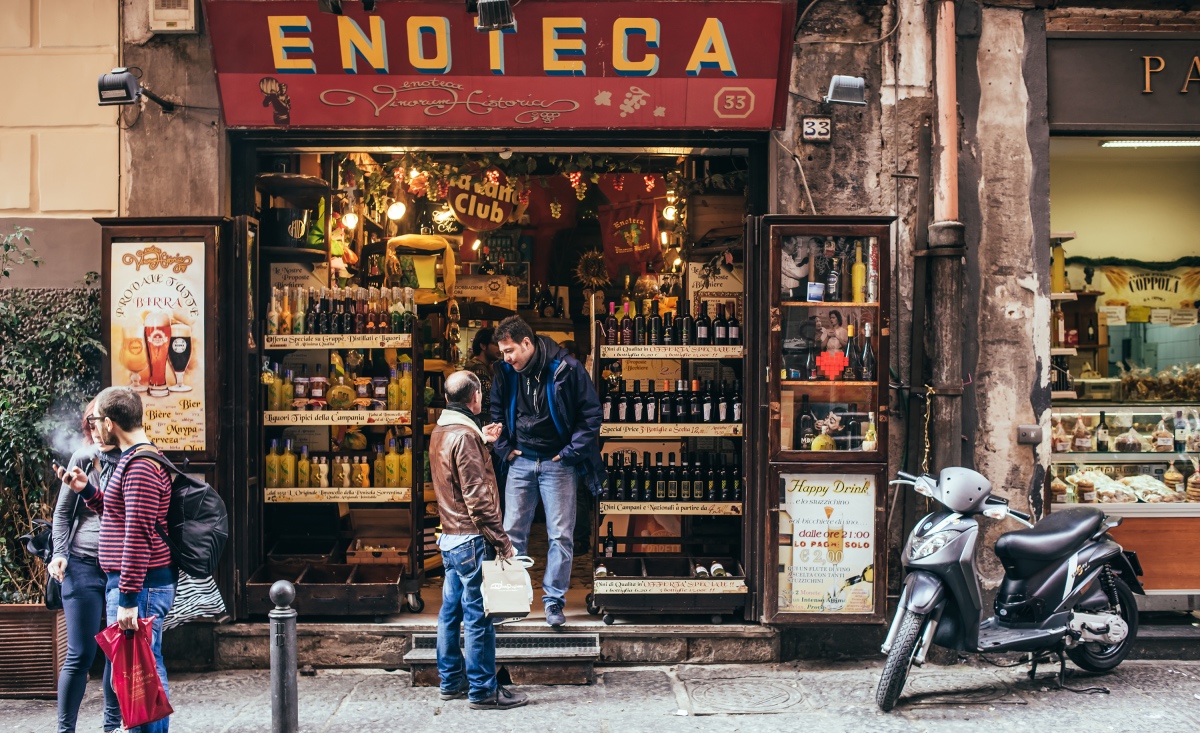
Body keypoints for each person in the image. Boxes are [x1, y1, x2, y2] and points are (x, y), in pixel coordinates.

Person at [57, 387, 177, 733]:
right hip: (137, 585)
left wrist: (127, 599)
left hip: (141, 587)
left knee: (144, 673)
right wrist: (88, 492)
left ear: (110, 423)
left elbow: (138, 535)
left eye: (95, 420)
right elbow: (120, 515)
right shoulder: (133, 457)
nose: (93, 427)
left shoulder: (139, 465)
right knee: (135, 674)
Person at [489, 316, 604, 627]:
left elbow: (592, 414)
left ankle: (553, 602)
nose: (506, 357)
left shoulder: (566, 368)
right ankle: (512, 602)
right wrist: (503, 448)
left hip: (558, 463)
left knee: (561, 536)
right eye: (502, 352)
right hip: (521, 461)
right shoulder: (504, 372)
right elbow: (495, 411)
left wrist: (568, 454)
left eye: (510, 350)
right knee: (511, 534)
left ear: (527, 343)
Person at [430, 371, 527, 710]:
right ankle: (483, 690)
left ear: (447, 399)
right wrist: (503, 542)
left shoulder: (442, 430)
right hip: (471, 539)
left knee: (449, 614)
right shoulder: (465, 439)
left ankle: (450, 682)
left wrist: (481, 440)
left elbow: (455, 477)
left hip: (450, 538)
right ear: (475, 400)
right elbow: (476, 499)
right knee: (478, 618)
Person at [50, 398, 123, 733]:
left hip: (120, 568)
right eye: (90, 422)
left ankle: (111, 727)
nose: (95, 428)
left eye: (101, 421)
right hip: (81, 565)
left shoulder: (132, 459)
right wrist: (60, 553)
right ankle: (65, 730)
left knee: (115, 654)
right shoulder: (83, 457)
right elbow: (63, 514)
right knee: (79, 654)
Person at [463, 327, 500, 419]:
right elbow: (489, 399)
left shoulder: (475, 364)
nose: (500, 349)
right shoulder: (478, 368)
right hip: (481, 422)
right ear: (483, 346)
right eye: (495, 344)